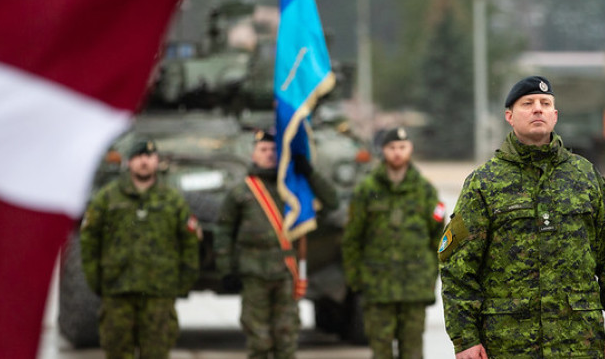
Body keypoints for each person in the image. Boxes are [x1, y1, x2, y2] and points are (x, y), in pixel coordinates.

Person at [438, 76, 605, 359]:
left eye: (545, 103)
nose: (538, 109)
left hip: (578, 343)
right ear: (509, 116)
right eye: (528, 103)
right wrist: (465, 338)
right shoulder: (484, 183)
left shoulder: (585, 177)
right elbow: (458, 269)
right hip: (508, 345)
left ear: (555, 115)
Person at [216, 131, 336, 359]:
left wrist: (310, 174)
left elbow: (332, 202)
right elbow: (224, 230)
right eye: (263, 150)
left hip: (286, 273)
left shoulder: (294, 188)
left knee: (287, 337)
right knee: (258, 339)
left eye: (274, 150)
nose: (269, 155)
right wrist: (226, 269)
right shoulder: (241, 191)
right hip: (253, 272)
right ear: (253, 154)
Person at [80, 139, 201, 358]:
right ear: (129, 162)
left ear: (157, 161)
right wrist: (97, 280)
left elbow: (190, 243)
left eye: (149, 157)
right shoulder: (107, 198)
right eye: (138, 157)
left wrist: (181, 283)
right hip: (118, 290)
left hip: (159, 293)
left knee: (156, 352)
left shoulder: (172, 200)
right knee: (117, 351)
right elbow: (89, 240)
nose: (144, 161)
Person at [342, 127, 445, 359]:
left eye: (402, 147)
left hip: (415, 288)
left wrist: (431, 276)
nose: (397, 153)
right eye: (392, 148)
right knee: (381, 352)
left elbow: (439, 239)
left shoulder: (425, 191)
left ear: (410, 150)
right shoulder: (367, 191)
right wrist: (357, 280)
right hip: (377, 288)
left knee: (413, 351)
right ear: (383, 151)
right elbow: (352, 239)